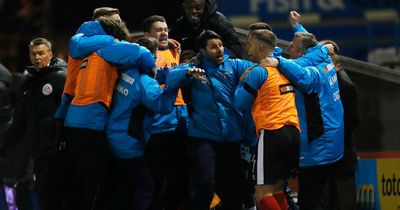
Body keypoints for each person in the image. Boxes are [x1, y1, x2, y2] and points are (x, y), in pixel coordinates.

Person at [263, 12, 344, 207]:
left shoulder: (313, 73)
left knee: (310, 200)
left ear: (303, 53)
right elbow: (311, 42)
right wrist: (297, 26)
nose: (288, 46)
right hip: (331, 143)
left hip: (319, 148)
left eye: (292, 45)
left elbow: (303, 77)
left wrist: (279, 62)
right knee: (319, 196)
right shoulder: (322, 55)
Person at [167, 30, 254, 210]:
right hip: (204, 137)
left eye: (221, 45)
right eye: (213, 47)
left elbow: (261, 66)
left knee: (232, 187)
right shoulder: (194, 68)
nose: (220, 50)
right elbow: (171, 78)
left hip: (231, 137)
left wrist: (273, 59)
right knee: (205, 182)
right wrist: (187, 71)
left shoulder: (234, 65)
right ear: (203, 51)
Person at [62, 18, 140, 210]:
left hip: (74, 118)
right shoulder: (104, 50)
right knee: (97, 183)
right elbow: (139, 52)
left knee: (81, 180)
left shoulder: (85, 51)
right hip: (89, 122)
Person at [105, 36, 180, 210]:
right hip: (128, 141)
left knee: (123, 187)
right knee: (146, 188)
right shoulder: (145, 82)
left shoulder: (123, 71)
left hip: (112, 133)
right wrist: (172, 86)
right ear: (152, 55)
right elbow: (162, 105)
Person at [235, 29, 300, 210]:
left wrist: (242, 81)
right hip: (293, 132)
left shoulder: (258, 72)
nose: (247, 48)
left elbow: (239, 103)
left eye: (249, 44)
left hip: (272, 133)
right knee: (279, 188)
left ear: (260, 47)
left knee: (262, 193)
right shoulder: (285, 67)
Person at [1, 38, 67, 210]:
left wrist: (63, 143)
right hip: (39, 151)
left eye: (41, 53)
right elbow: (19, 123)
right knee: (45, 197)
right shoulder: (30, 83)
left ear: (50, 54)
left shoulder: (61, 78)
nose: (37, 57)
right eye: (34, 54)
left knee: (59, 196)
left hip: (58, 152)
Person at [142, 15, 191, 210]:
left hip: (180, 123)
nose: (164, 32)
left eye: (165, 29)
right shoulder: (146, 56)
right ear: (147, 35)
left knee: (180, 180)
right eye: (158, 30)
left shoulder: (173, 50)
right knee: (156, 180)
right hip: (158, 125)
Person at [320, 39, 359, 210]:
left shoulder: (345, 85)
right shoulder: (331, 82)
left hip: (341, 155)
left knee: (343, 201)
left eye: (327, 54)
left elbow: (352, 119)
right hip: (332, 154)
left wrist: (333, 139)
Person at [169, 0, 243, 58]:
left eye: (198, 8)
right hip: (190, 69)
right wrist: (184, 56)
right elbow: (169, 49)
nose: (193, 11)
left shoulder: (219, 22)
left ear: (205, 6)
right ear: (184, 7)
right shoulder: (179, 25)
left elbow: (236, 49)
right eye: (189, 8)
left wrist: (217, 59)